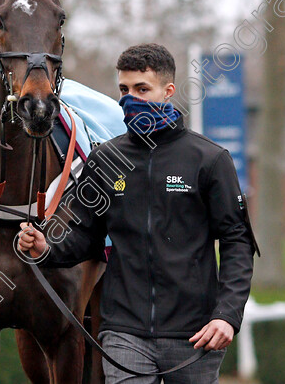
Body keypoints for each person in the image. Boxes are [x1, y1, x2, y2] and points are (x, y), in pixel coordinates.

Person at [18, 43, 259, 383]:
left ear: (168, 91)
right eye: (123, 89)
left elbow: (238, 242)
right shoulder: (104, 160)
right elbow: (86, 237)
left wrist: (227, 316)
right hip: (123, 333)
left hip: (196, 334)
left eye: (141, 89)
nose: (129, 98)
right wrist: (47, 249)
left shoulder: (210, 160)